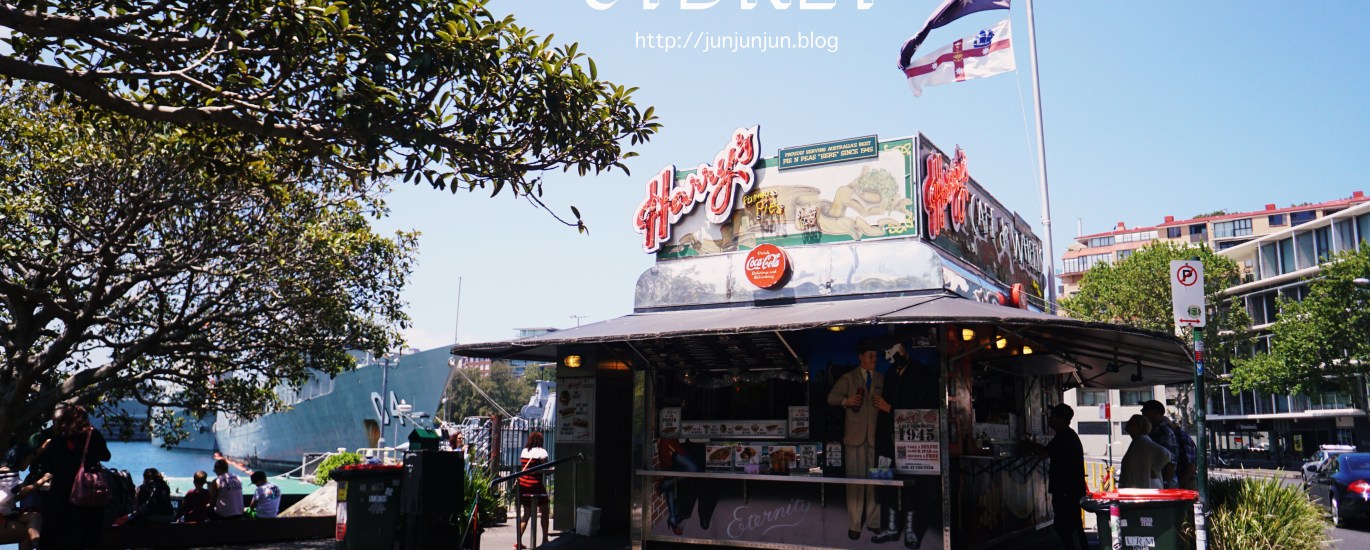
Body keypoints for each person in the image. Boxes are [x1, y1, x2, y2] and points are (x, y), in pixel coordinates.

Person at [871, 341, 938, 548]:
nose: (890, 360)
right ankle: (891, 528)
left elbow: (926, 409)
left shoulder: (922, 373)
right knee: (885, 482)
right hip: (887, 439)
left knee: (912, 486)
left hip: (912, 441)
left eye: (892, 354)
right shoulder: (891, 373)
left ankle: (910, 531)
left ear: (902, 351)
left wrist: (891, 409)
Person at [826, 340, 885, 541]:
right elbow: (831, 397)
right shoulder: (849, 378)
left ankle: (874, 522)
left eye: (876, 356)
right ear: (861, 358)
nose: (874, 359)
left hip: (876, 438)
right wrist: (846, 401)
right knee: (854, 483)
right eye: (871, 356)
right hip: (854, 438)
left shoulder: (881, 378)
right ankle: (854, 525)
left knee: (876, 481)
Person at [36, 404, 110, 550]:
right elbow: (106, 456)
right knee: (85, 538)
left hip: (61, 494)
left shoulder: (60, 438)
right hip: (87, 493)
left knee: (58, 537)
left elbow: (48, 465)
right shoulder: (93, 434)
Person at [1021, 404, 1088, 550]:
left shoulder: (1065, 437)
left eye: (1053, 416)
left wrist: (1029, 445)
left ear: (1060, 419)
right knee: (1064, 525)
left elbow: (1044, 453)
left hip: (1067, 491)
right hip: (1067, 490)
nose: (1049, 419)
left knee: (1070, 526)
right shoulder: (1066, 435)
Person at [1141, 400, 1196, 489]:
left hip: (1182, 483)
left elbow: (1189, 466)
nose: (1143, 414)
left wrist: (1169, 484)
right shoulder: (1153, 432)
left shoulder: (1168, 433)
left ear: (1156, 413)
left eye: (1145, 411)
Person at [656, 436, 700, 536]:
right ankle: (672, 518)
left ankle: (672, 517)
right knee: (693, 468)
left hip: (673, 440)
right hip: (666, 440)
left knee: (670, 479)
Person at [516, 431, 550, 549]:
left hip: (524, 485)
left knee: (526, 513)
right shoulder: (542, 452)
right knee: (545, 510)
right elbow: (545, 469)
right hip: (536, 485)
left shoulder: (524, 451)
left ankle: (518, 541)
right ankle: (545, 538)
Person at [1120, 415, 1171, 489]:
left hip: (1144, 487)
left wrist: (1154, 469)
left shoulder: (1142, 441)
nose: (1127, 424)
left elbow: (1166, 454)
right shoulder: (1139, 442)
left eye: (1131, 422)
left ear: (1138, 426)